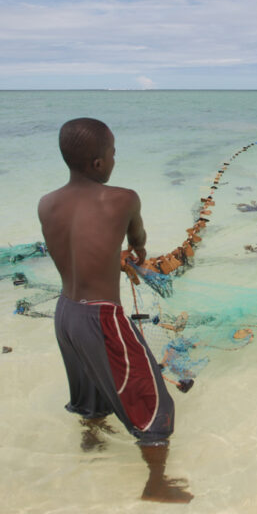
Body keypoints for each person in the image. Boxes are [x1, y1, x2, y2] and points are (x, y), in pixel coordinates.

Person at [38, 117, 193, 503]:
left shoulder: (47, 203)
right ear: (97, 164)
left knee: (90, 391)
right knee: (150, 399)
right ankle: (155, 483)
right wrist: (137, 249)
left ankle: (91, 444)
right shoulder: (122, 198)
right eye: (112, 154)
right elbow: (137, 238)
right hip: (102, 316)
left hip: (66, 313)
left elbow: (82, 247)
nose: (114, 160)